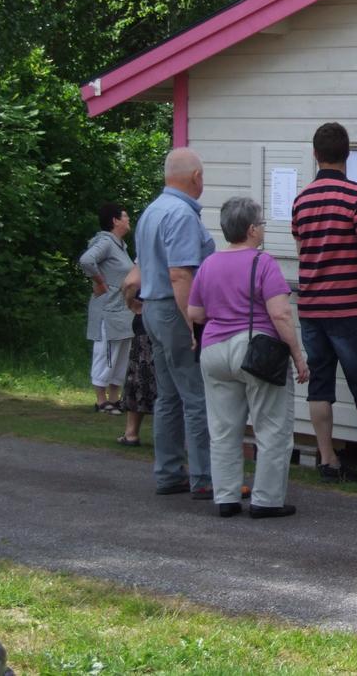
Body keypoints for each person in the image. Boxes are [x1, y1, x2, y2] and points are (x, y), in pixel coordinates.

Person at [188, 197, 310, 518]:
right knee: (271, 427)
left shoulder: (208, 264)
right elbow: (280, 314)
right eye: (263, 225)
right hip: (256, 350)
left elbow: (195, 312)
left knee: (224, 429)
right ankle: (266, 500)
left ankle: (226, 497)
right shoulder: (263, 262)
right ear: (252, 229)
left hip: (214, 351)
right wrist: (297, 355)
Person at [291, 122, 357, 484]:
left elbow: (302, 251)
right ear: (346, 155)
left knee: (320, 384)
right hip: (349, 306)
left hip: (312, 308)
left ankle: (328, 458)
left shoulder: (301, 200)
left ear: (315, 154)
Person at [123, 148, 214, 499]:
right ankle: (204, 477)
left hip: (152, 310)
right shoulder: (181, 215)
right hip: (173, 312)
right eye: (202, 176)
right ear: (195, 178)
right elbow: (180, 274)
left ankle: (168, 471)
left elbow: (142, 268)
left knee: (168, 396)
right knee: (195, 395)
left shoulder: (151, 212)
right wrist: (191, 319)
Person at [79, 203, 135, 415]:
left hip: (122, 309)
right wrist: (99, 281)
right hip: (108, 310)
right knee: (106, 352)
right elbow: (86, 260)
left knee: (121, 354)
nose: (128, 219)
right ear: (115, 221)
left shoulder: (120, 245)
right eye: (125, 216)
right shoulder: (105, 242)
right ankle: (101, 400)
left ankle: (114, 398)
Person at [116, 314, 156, 446]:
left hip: (147, 325)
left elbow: (130, 295)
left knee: (139, 378)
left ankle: (131, 433)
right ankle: (131, 433)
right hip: (168, 327)